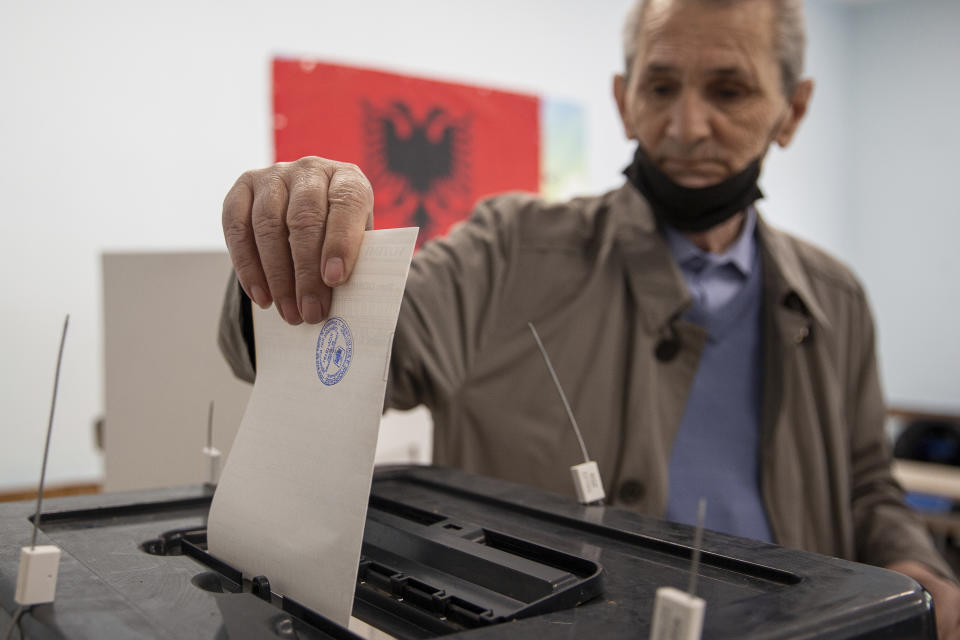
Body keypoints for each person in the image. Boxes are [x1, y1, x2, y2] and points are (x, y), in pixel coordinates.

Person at [217, 0, 960, 634]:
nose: (687, 124)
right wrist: (296, 247)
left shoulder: (836, 297)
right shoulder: (511, 251)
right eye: (660, 85)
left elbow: (868, 485)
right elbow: (359, 347)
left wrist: (919, 574)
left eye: (729, 90)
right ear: (622, 97)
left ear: (792, 110)